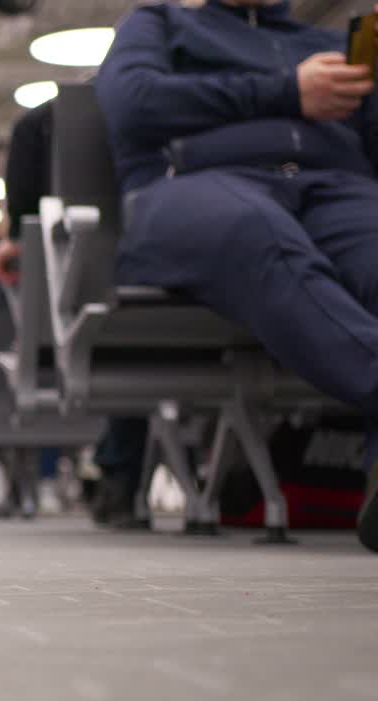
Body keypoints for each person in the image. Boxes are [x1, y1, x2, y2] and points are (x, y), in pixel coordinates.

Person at [95, 0, 378, 550]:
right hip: (192, 188)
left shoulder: (320, 44)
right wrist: (286, 91)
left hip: (333, 190)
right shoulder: (160, 23)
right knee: (261, 236)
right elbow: (132, 103)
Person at [0, 100, 150, 529]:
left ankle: (117, 472)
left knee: (114, 333)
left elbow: (25, 222)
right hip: (204, 305)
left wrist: (15, 241)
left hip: (94, 313)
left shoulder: (43, 127)